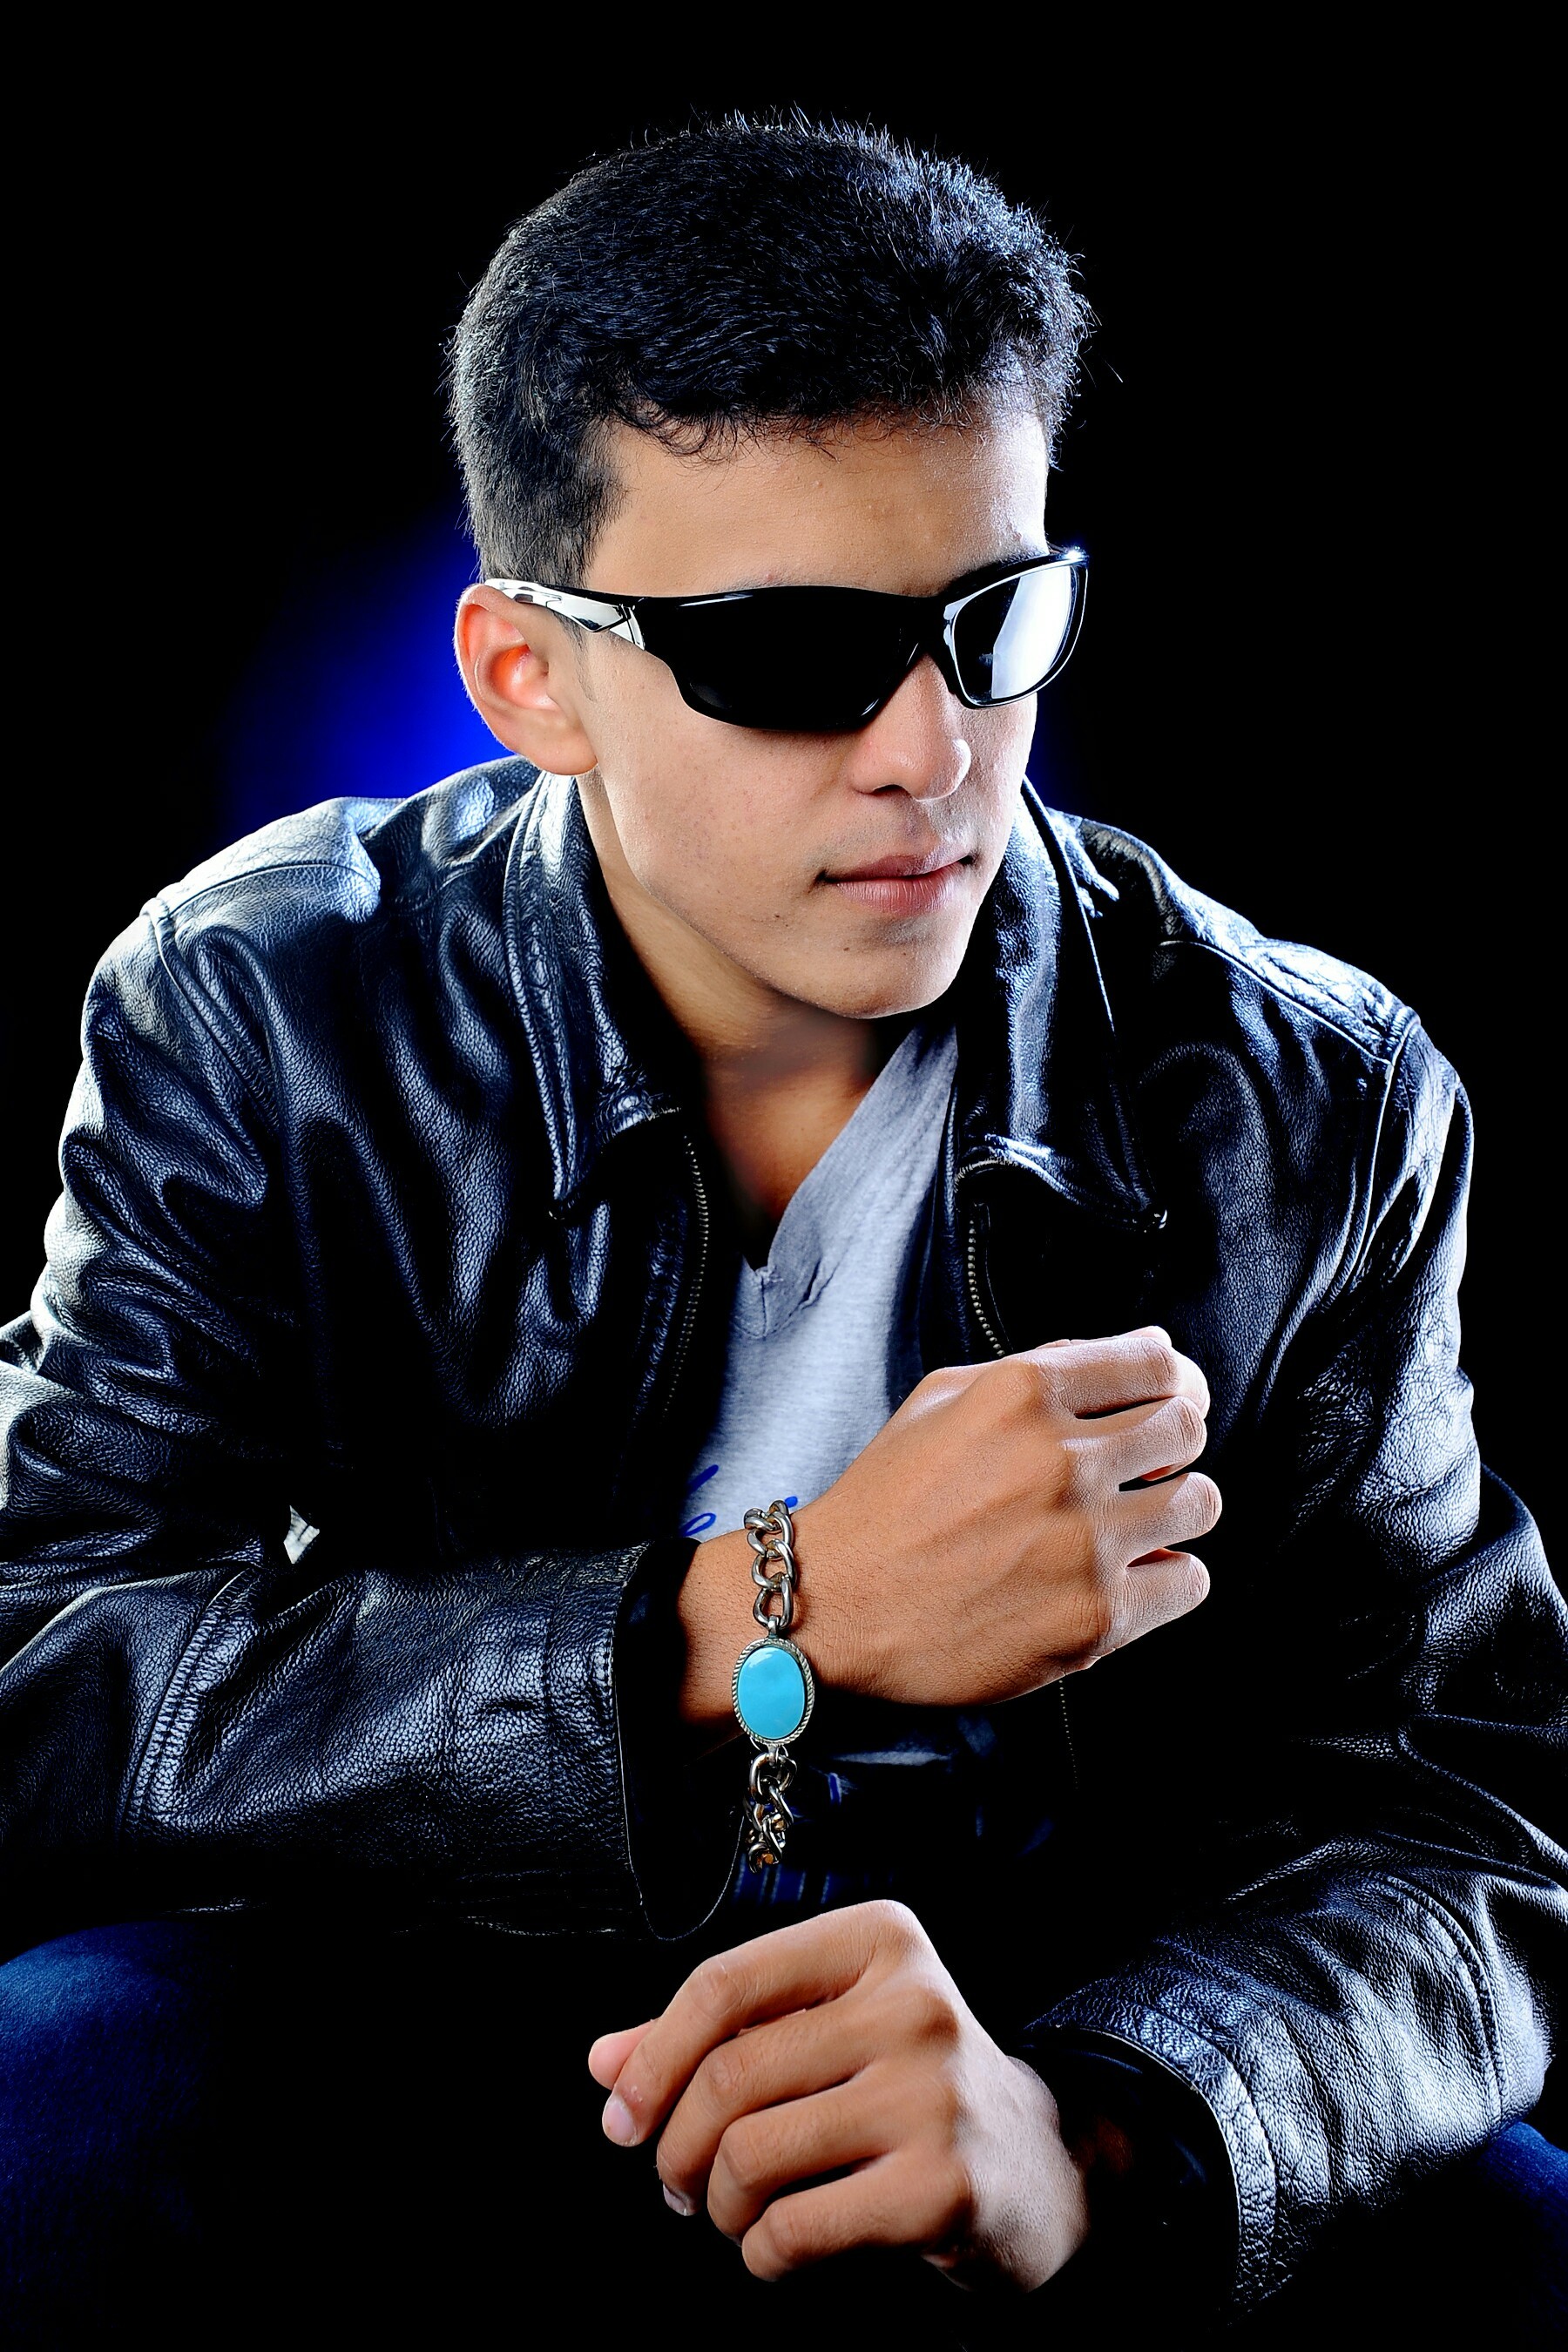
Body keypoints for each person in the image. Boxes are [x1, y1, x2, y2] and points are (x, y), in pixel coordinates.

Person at [1, 118, 1563, 2347]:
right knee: (56, 2092)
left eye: (997, 625)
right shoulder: (270, 1007)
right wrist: (771, 1608)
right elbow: (45, 1684)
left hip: (1032, 2044)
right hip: (418, 2006)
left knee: (1513, 2244)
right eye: (798, 653)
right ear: (527, 677)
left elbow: (1460, 1824)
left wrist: (1112, 2128)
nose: (938, 751)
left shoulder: (1302, 1094)